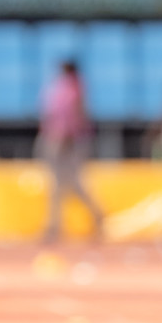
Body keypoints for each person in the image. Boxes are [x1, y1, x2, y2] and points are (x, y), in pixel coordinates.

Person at [39, 59, 102, 243]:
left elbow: (75, 116)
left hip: (67, 142)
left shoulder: (73, 87)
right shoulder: (63, 87)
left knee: (64, 183)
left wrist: (68, 138)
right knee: (63, 184)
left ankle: (55, 225)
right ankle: (59, 224)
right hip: (58, 139)